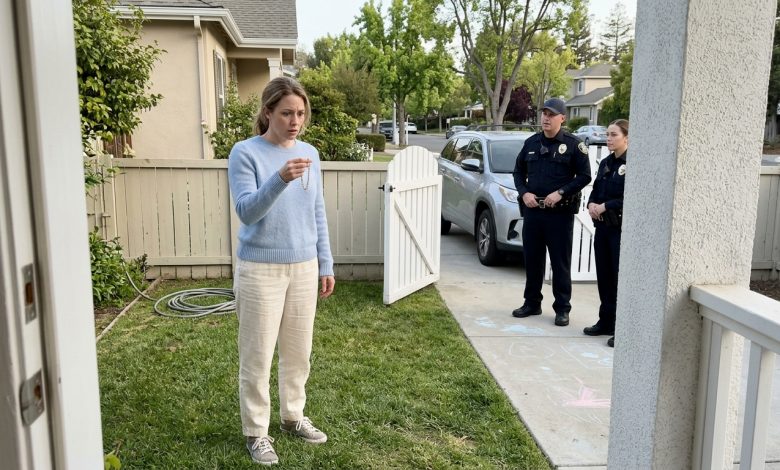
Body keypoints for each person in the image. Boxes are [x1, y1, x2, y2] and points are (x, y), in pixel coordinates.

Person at [228, 76, 335, 466]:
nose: (295, 121)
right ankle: (257, 432)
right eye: (287, 112)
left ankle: (292, 416)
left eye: (301, 113)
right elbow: (246, 211)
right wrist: (280, 178)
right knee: (257, 355)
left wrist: (325, 261)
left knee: (298, 351)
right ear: (268, 111)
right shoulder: (245, 153)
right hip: (259, 268)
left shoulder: (311, 153)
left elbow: (317, 211)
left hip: (304, 266)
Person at [512, 98, 592, 326]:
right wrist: (524, 192)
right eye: (544, 113)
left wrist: (561, 192)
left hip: (559, 214)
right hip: (533, 212)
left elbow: (585, 176)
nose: (546, 118)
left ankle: (562, 308)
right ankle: (532, 303)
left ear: (562, 118)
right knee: (533, 260)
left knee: (560, 263)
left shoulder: (574, 145)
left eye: (551, 114)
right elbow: (518, 171)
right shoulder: (531, 143)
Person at [583, 119, 629, 348]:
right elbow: (596, 189)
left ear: (626, 138)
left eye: (613, 134)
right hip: (603, 228)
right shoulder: (606, 163)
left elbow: (629, 197)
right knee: (604, 277)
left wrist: (607, 206)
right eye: (608, 134)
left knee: (618, 278)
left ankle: (621, 328)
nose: (609, 138)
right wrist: (592, 204)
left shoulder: (632, 164)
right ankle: (606, 321)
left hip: (620, 231)